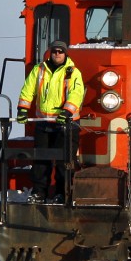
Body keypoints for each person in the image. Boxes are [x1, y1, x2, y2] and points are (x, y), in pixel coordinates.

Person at [16, 40, 84, 202]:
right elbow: (28, 89)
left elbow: (76, 93)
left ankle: (62, 193)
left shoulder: (72, 72)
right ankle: (39, 192)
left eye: (60, 51)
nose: (57, 54)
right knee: (40, 159)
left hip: (66, 124)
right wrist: (22, 109)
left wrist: (66, 112)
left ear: (65, 53)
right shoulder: (39, 70)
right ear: (50, 52)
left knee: (64, 161)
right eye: (54, 51)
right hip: (44, 122)